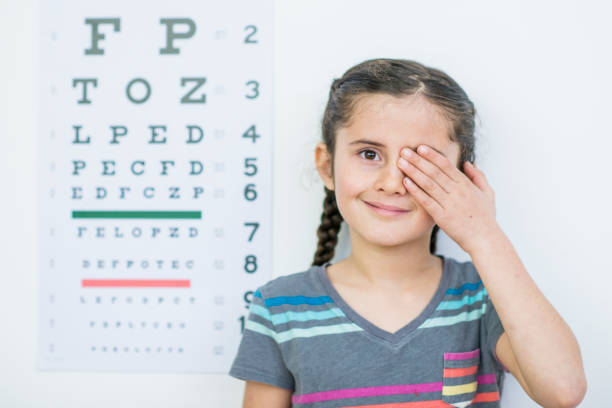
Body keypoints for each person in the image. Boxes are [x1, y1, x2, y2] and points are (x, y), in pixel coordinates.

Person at [229, 58, 586, 407]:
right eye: (369, 154)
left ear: (459, 179)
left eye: (419, 161)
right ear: (327, 165)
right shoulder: (278, 308)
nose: (392, 183)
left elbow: (562, 391)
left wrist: (484, 235)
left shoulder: (485, 299)